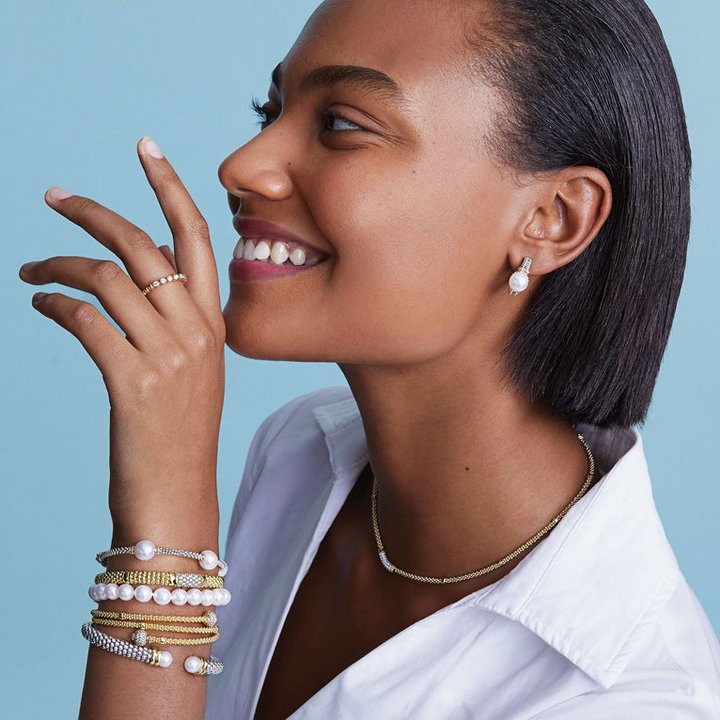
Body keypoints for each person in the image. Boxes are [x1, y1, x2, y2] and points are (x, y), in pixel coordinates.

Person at [18, 0, 720, 718]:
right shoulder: (300, 453)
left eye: (342, 125)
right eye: (272, 111)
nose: (242, 165)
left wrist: (166, 537)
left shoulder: (631, 698)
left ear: (553, 219)